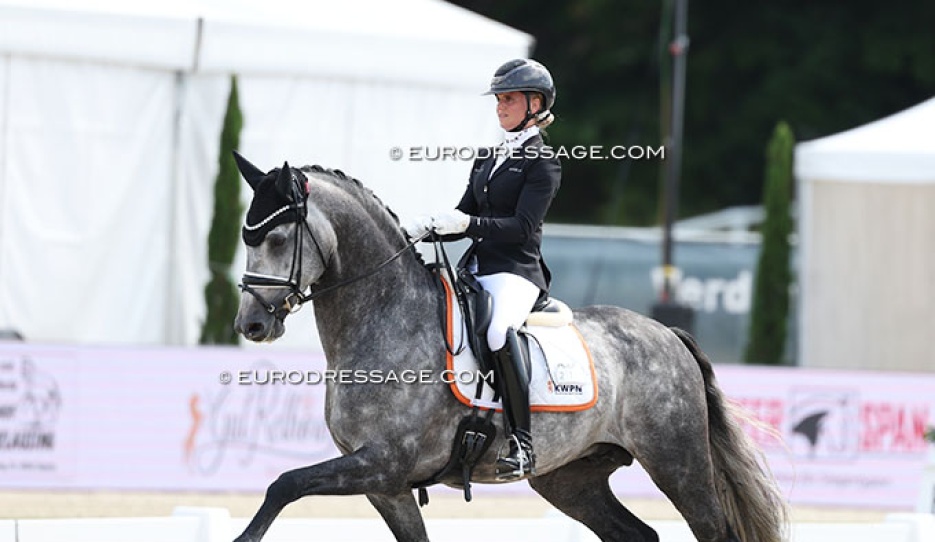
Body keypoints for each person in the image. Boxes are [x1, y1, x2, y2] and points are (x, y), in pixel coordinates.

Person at [405, 58, 561, 480]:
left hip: (516, 271)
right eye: (498, 99)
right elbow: (464, 215)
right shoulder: (488, 157)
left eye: (508, 99)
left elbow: (521, 227)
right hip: (476, 268)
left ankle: (522, 441)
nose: (500, 107)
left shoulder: (543, 163)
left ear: (535, 103)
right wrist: (427, 227)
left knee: (496, 333)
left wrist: (468, 224)